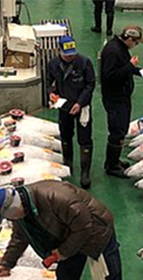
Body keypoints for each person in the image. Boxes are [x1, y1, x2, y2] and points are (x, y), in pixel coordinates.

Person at [47, 36, 96, 189]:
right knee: (66, 136)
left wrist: (80, 103)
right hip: (64, 106)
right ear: (59, 50)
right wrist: (51, 93)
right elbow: (49, 82)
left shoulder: (84, 62)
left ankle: (85, 172)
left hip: (82, 107)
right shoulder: (53, 64)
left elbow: (90, 84)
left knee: (85, 139)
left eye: (72, 53)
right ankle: (67, 167)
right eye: (66, 54)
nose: (70, 56)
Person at [99, 26, 143, 178]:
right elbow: (110, 75)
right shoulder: (113, 50)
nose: (135, 45)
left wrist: (139, 70)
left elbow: (122, 67)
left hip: (122, 96)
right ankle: (111, 166)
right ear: (129, 39)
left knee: (121, 129)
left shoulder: (120, 46)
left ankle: (115, 160)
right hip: (115, 98)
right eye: (136, 43)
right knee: (117, 130)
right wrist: (130, 67)